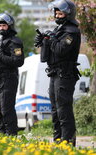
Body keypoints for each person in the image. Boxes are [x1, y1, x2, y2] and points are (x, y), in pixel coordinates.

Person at [34, 0, 80, 146]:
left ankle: (68, 143)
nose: (58, 16)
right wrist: (43, 42)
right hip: (54, 74)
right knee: (55, 110)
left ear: (68, 14)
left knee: (63, 110)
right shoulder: (58, 31)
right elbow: (45, 58)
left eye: (61, 13)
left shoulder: (71, 32)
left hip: (65, 75)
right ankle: (58, 141)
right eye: (56, 13)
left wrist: (52, 39)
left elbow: (61, 50)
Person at [0, 13, 24, 135]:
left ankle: (11, 135)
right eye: (0, 26)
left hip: (9, 78)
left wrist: (1, 56)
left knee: (6, 109)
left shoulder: (15, 42)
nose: (1, 28)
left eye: (4, 25)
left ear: (10, 26)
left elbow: (18, 61)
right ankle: (2, 134)